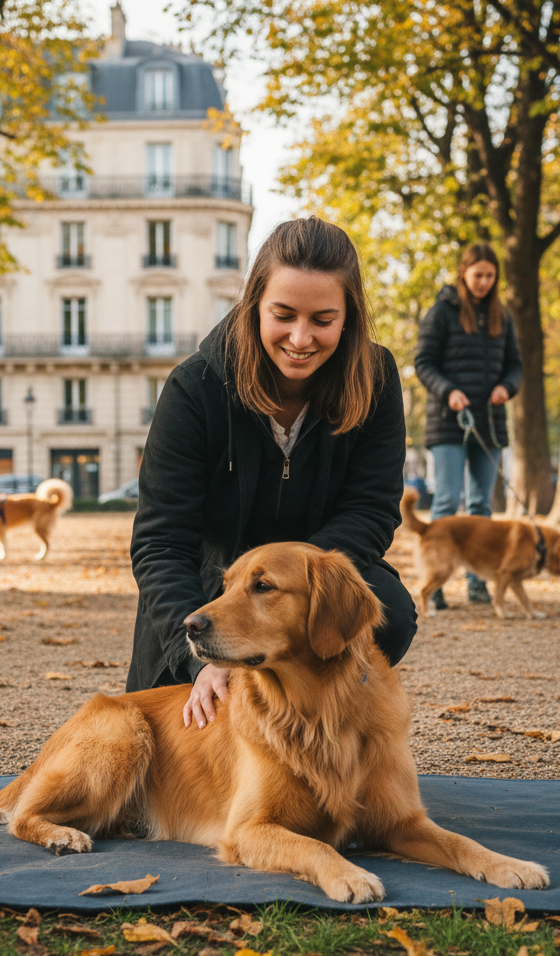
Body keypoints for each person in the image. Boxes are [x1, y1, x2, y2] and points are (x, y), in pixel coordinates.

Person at [127, 216, 417, 728]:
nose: (300, 338)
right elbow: (161, 542)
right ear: (254, 304)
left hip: (313, 582)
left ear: (348, 318)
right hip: (210, 588)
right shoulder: (193, 389)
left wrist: (303, 583)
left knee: (388, 606)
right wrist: (204, 656)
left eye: (323, 320)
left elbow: (371, 511)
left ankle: (327, 721)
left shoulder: (377, 379)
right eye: (282, 314)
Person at [413, 242, 522, 609]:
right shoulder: (441, 312)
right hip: (449, 421)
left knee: (481, 505)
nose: (484, 283)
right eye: (478, 275)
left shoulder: (501, 316)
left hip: (489, 424)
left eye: (490, 277)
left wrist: (506, 387)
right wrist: (450, 392)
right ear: (464, 273)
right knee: (445, 500)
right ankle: (437, 582)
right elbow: (423, 362)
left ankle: (478, 581)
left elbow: (515, 366)